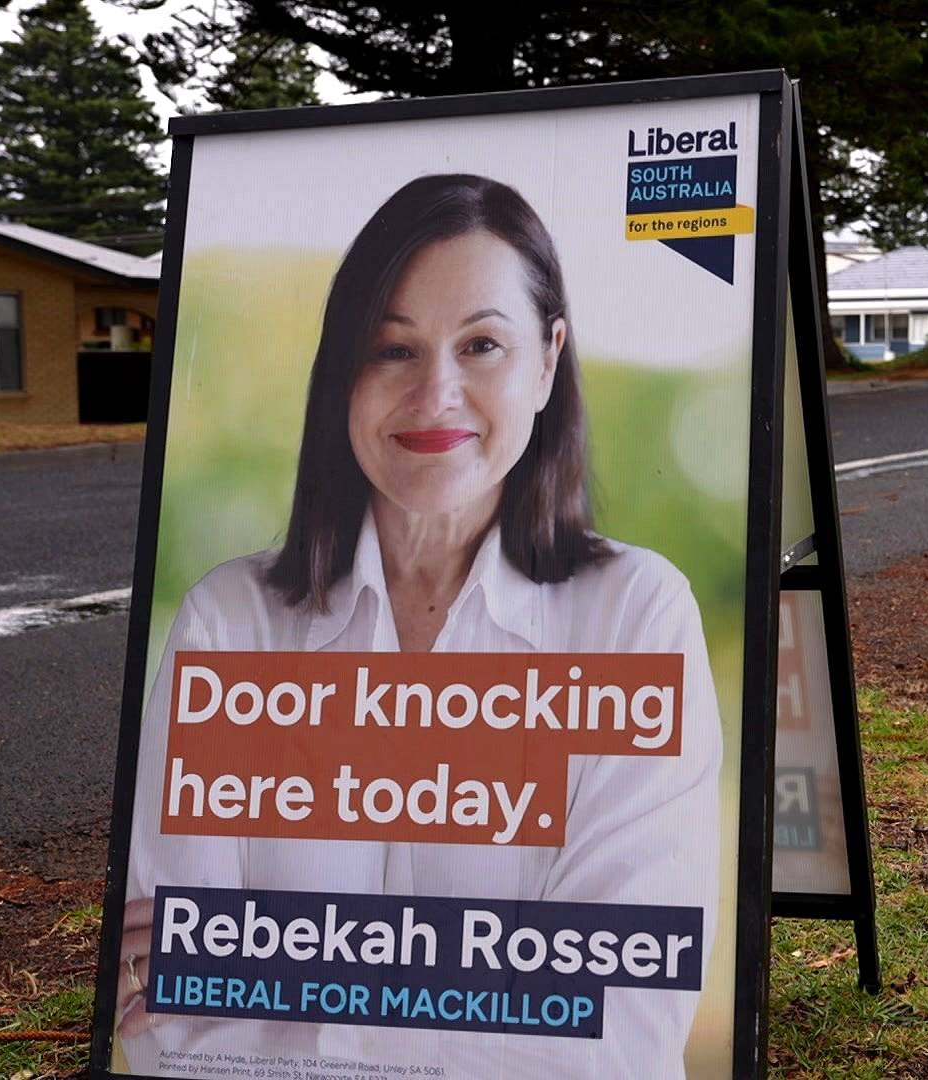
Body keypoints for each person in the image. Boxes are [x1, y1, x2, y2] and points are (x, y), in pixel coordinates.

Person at [114, 174, 722, 1077]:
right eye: (392, 350)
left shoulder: (637, 617)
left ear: (549, 359)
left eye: (481, 344)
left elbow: (616, 1032)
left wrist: (274, 972)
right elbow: (163, 1022)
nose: (436, 394)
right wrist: (500, 982)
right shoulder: (228, 625)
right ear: (341, 374)